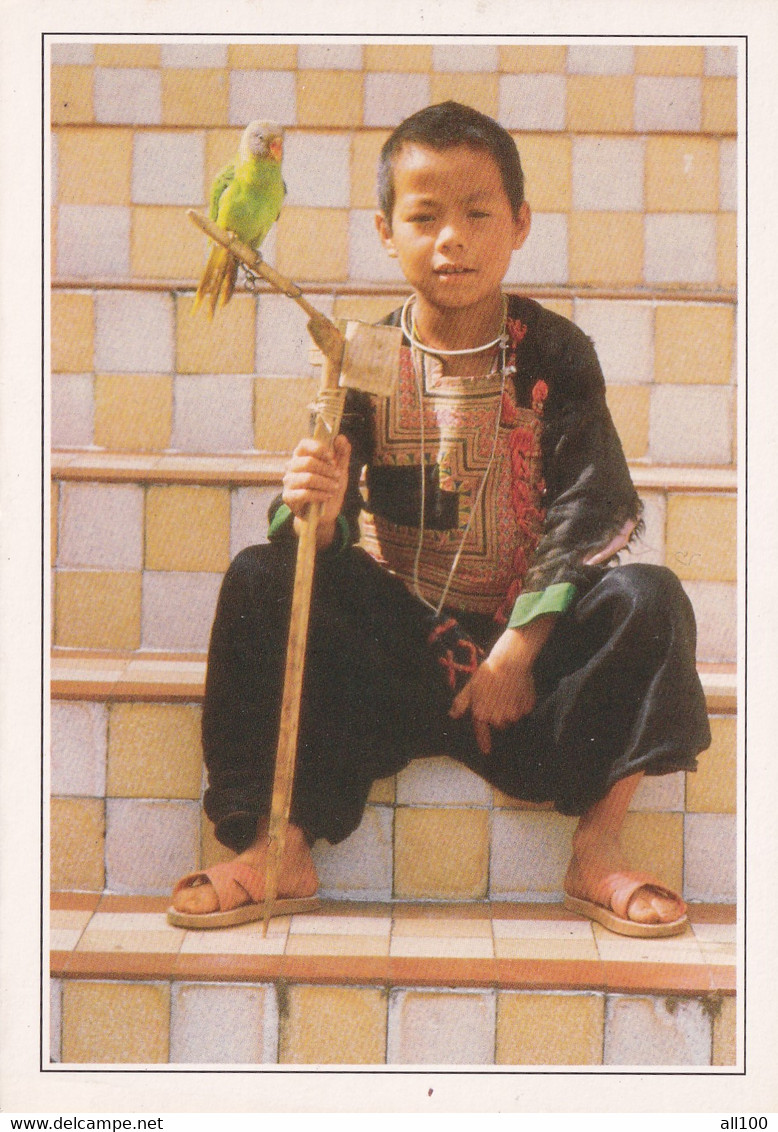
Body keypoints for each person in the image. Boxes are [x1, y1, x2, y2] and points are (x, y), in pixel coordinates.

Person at [169, 102, 711, 937]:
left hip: (519, 675)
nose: (450, 239)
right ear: (387, 232)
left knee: (649, 597)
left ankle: (597, 848)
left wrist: (518, 647)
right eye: (424, 217)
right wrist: (311, 509)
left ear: (521, 224)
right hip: (397, 659)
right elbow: (322, 526)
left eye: (477, 214)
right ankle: (280, 844)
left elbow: (592, 505)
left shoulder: (557, 352)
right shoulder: (366, 355)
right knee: (263, 573)